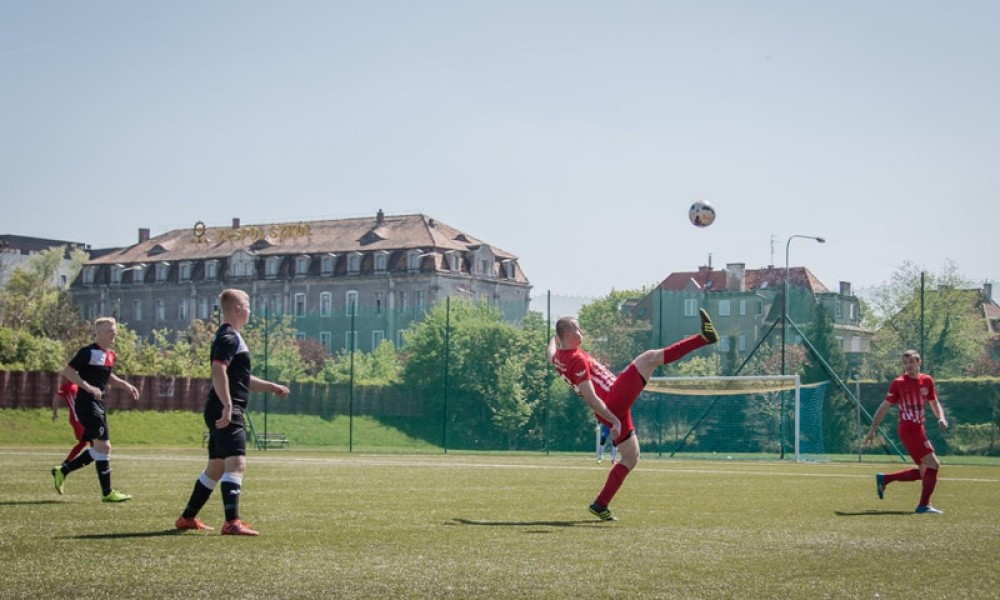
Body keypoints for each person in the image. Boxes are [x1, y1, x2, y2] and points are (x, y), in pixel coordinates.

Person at [548, 309, 718, 521]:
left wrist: (552, 340)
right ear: (568, 335)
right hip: (612, 401)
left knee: (631, 456)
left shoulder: (558, 358)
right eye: (577, 328)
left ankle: (600, 504)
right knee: (648, 358)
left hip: (611, 408)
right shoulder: (576, 360)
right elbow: (592, 398)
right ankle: (704, 338)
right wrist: (614, 420)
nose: (581, 331)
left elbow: (550, 352)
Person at [175, 289, 290, 535]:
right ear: (238, 309)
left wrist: (271, 387)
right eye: (247, 305)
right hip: (227, 408)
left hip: (220, 407)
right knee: (236, 464)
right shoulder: (229, 337)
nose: (250, 310)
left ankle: (187, 517)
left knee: (216, 468)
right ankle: (231, 523)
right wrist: (228, 405)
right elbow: (218, 369)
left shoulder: (231, 336)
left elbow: (241, 378)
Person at [51, 317, 139, 502]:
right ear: (98, 333)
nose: (113, 333)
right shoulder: (88, 352)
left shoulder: (110, 354)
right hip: (87, 403)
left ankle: (64, 470)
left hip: (98, 404)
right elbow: (68, 372)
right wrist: (88, 387)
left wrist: (126, 385)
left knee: (101, 448)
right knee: (104, 446)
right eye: (109, 330)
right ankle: (107, 493)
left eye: (114, 330)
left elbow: (108, 376)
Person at [864, 350, 949, 514]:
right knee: (934, 465)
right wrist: (873, 429)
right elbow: (884, 406)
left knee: (925, 471)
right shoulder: (898, 383)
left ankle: (885, 479)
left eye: (911, 362)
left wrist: (941, 418)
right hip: (909, 429)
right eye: (905, 363)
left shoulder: (927, 381)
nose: (908, 366)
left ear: (919, 362)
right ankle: (923, 506)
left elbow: (934, 402)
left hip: (919, 429)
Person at [51, 377, 88, 466]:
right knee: (94, 441)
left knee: (83, 442)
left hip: (76, 419)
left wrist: (55, 413)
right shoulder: (74, 385)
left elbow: (56, 399)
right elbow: (56, 398)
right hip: (79, 419)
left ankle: (67, 462)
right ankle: (99, 462)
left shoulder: (68, 385)